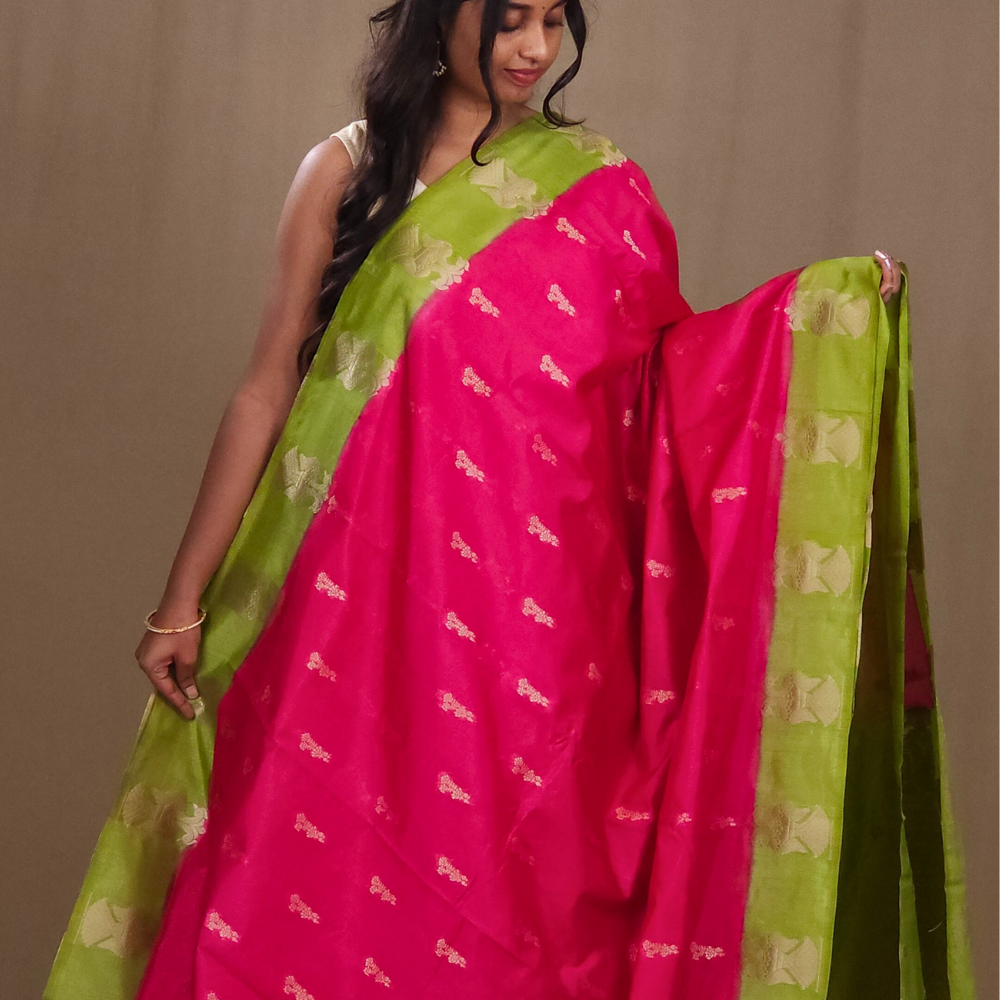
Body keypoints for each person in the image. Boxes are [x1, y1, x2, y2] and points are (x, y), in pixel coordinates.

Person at [44, 2, 974, 999]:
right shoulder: (350, 172)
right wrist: (182, 598)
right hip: (353, 608)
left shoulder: (601, 190)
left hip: (530, 629)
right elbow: (267, 389)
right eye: (508, 20)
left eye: (552, 21)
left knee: (512, 904)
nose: (534, 49)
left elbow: (668, 387)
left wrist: (820, 313)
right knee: (309, 880)